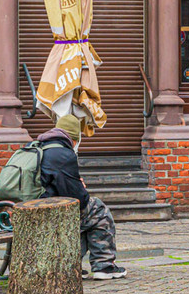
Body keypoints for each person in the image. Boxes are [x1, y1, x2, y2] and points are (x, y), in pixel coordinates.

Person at [36, 113, 126, 280]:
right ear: (74, 139)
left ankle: (72, 265)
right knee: (97, 210)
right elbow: (78, 198)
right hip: (48, 212)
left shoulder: (37, 147)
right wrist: (80, 186)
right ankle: (104, 266)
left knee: (84, 216)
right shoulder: (63, 154)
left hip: (32, 208)